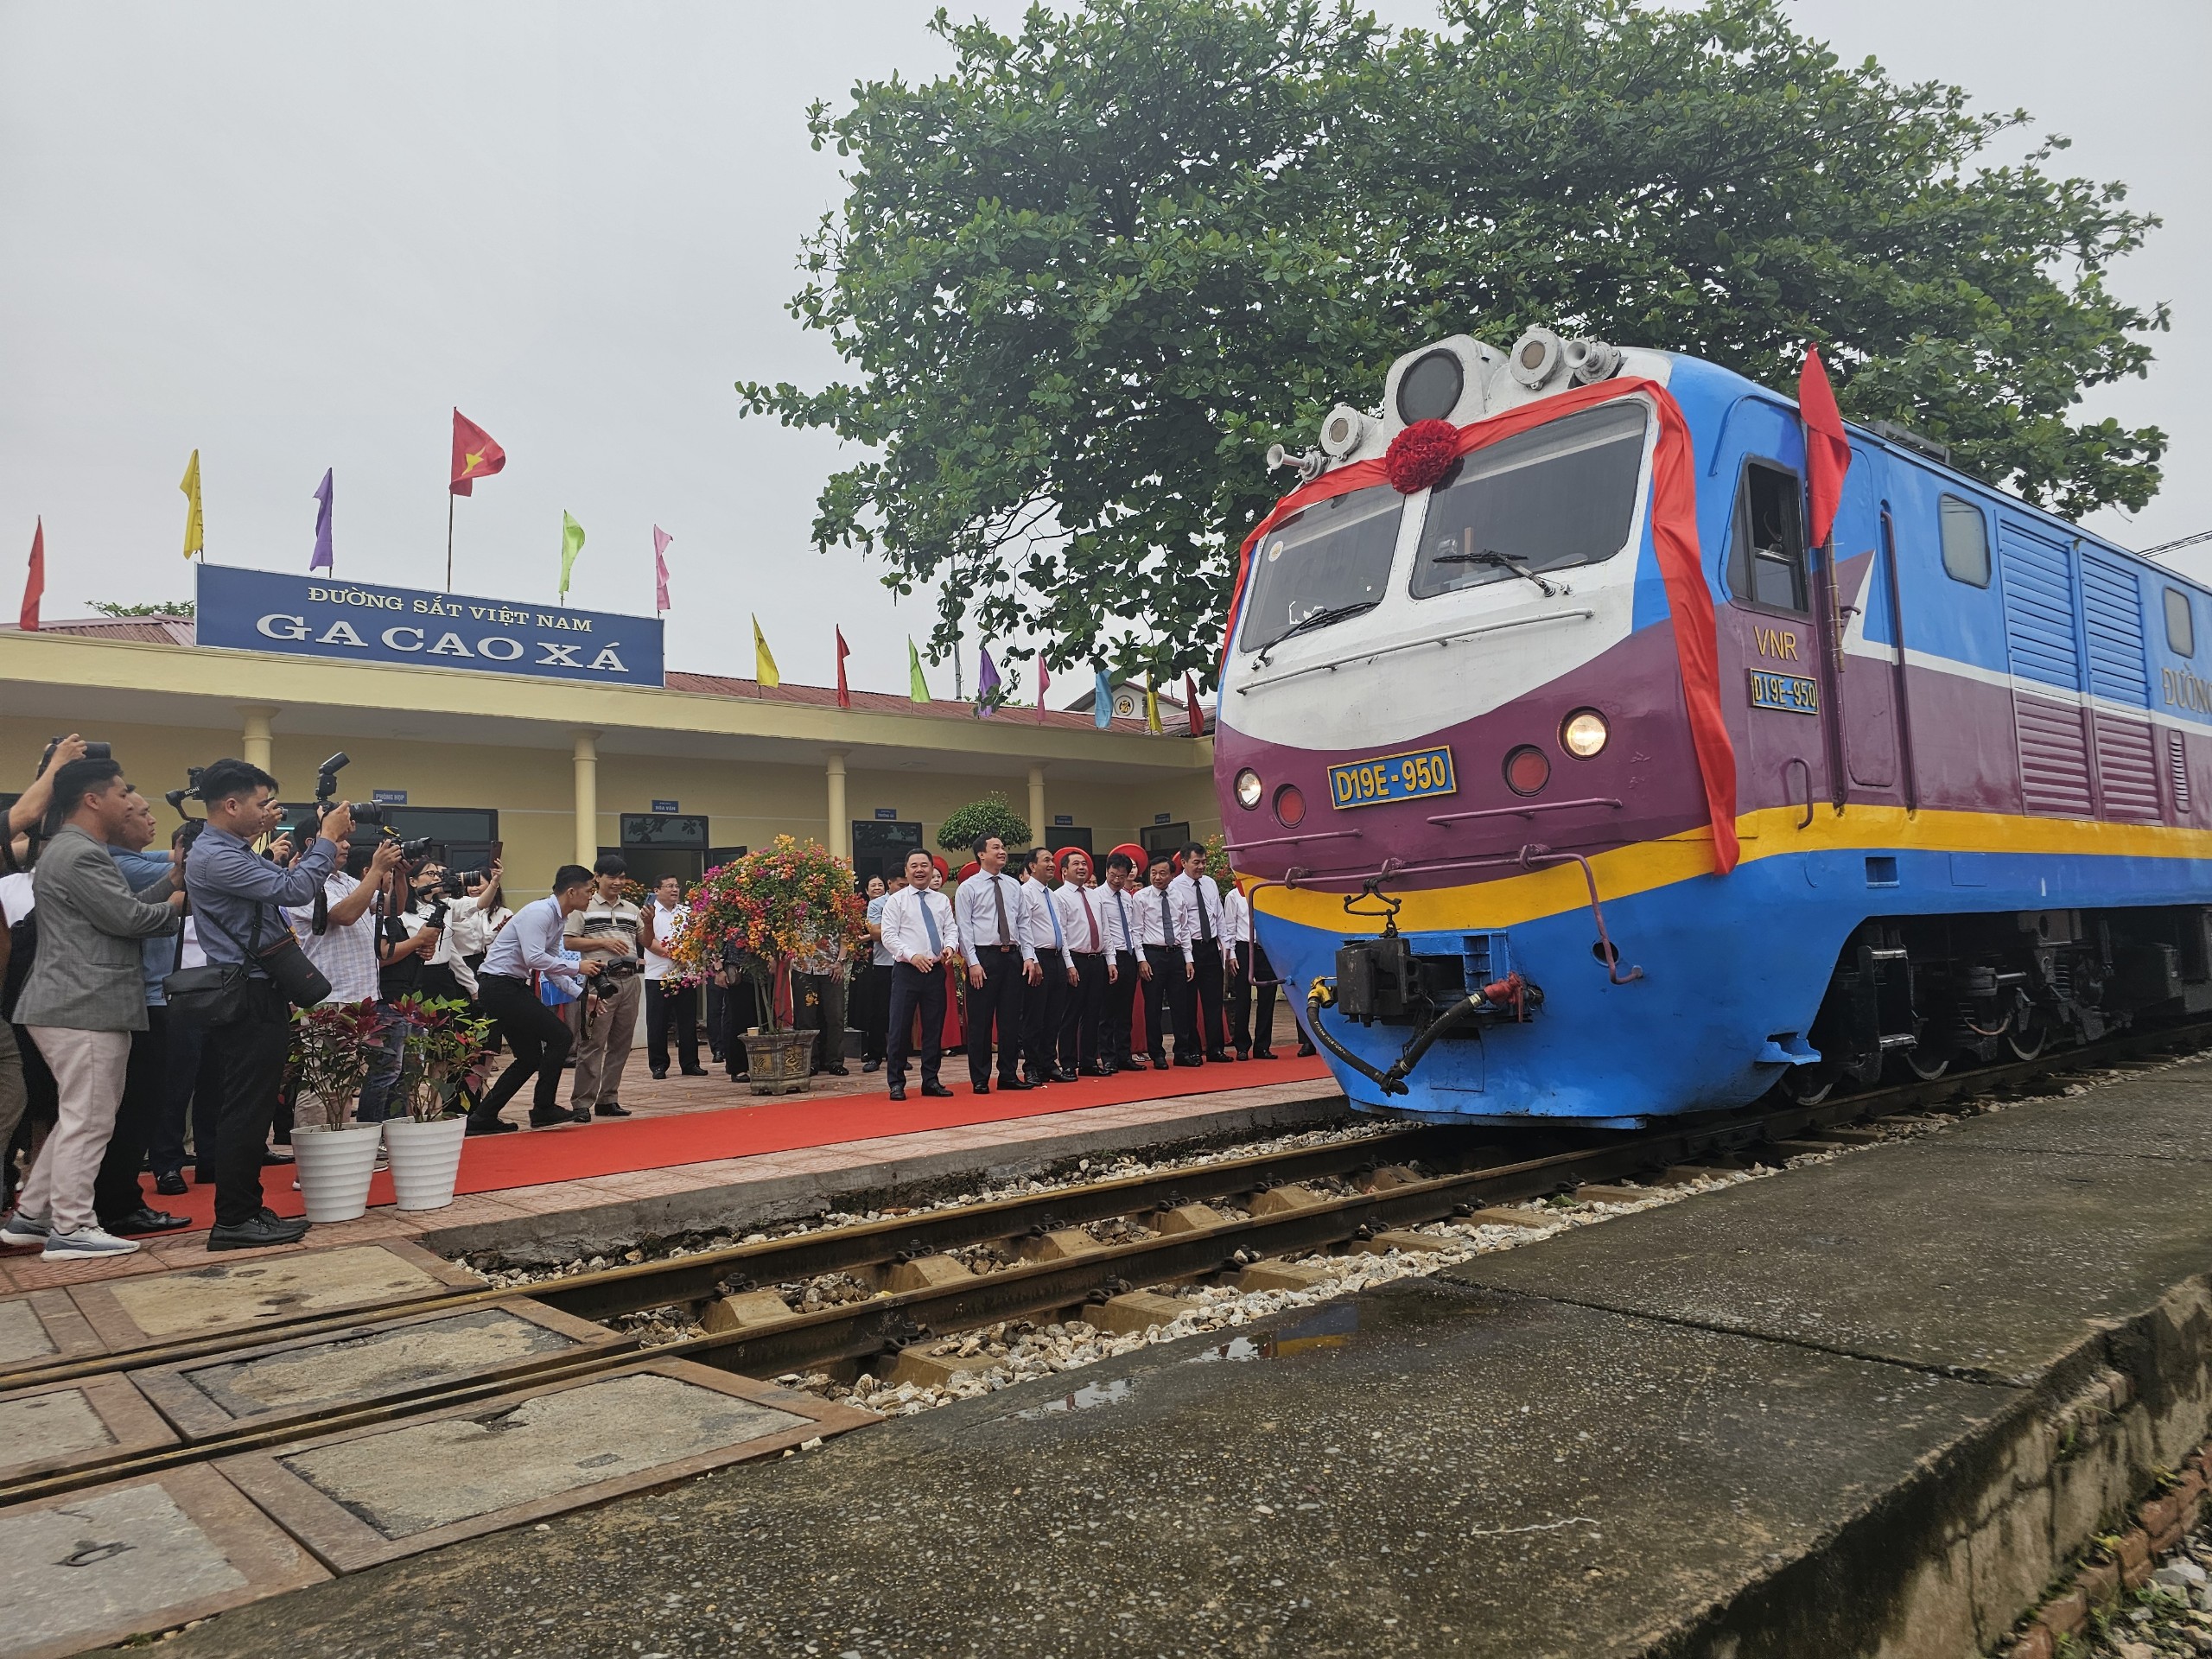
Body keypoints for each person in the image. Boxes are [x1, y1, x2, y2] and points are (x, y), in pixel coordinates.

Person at [0, 756, 182, 1260]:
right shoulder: (79, 853)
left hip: (75, 1001)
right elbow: (128, 918)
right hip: (82, 1004)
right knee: (92, 1118)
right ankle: (73, 1226)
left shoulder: (76, 850)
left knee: (77, 1116)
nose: (129, 802)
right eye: (122, 793)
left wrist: (170, 885)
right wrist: (176, 903)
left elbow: (116, 912)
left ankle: (33, 1217)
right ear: (93, 799)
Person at [185, 758, 346, 1249]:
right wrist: (325, 838)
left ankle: (247, 1209)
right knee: (246, 1107)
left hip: (260, 988)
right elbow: (294, 888)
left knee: (252, 1105)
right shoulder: (216, 856)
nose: (266, 813)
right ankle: (235, 1218)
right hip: (248, 991)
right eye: (259, 805)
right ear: (230, 805)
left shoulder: (229, 848)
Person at [89, 787, 189, 1236]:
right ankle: (118, 1203)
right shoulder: (113, 862)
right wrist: (182, 872)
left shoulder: (133, 859)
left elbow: (167, 865)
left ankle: (120, 1199)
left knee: (145, 1104)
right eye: (141, 813)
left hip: (155, 995)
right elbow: (169, 873)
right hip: (142, 999)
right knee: (137, 1107)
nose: (151, 821)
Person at [474, 864, 601, 1132]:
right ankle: (543, 1108)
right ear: (571, 891)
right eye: (590, 891)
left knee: (530, 1057)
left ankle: (482, 1117)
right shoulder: (540, 913)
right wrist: (577, 968)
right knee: (561, 1036)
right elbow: (535, 958)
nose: (592, 896)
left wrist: (581, 995)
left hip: (509, 986)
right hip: (500, 987)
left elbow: (549, 965)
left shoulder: (558, 917)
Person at [952, 834, 1034, 1095]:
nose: (1002, 851)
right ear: (981, 855)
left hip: (1012, 957)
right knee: (980, 1021)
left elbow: (1023, 923)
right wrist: (973, 963)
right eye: (995, 847)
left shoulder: (1013, 886)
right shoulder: (969, 887)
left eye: (1003, 847)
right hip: (984, 958)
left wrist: (1029, 956)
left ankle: (1008, 1074)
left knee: (1011, 1020)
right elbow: (964, 928)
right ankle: (980, 1077)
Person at [564, 855, 642, 1120]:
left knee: (621, 1043)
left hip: (630, 980)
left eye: (622, 877)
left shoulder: (632, 909)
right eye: (612, 877)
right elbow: (570, 942)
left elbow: (645, 939)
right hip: (599, 980)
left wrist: (651, 921)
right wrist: (605, 945)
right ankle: (582, 1103)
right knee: (593, 1042)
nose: (618, 882)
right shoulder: (582, 907)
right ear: (597, 877)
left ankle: (608, 1098)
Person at [879, 849, 958, 1103]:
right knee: (900, 1028)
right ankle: (896, 1082)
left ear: (932, 869)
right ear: (906, 871)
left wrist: (949, 947)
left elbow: (951, 929)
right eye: (914, 866)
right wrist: (912, 956)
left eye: (924, 865)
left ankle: (931, 1080)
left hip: (935, 971)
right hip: (907, 971)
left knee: (933, 1028)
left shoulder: (941, 900)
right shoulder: (897, 901)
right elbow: (888, 936)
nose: (920, 870)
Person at [1168, 842, 1233, 1065]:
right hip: (1189, 948)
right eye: (1196, 862)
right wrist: (1187, 956)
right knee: (1187, 1003)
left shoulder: (1210, 884)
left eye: (1204, 862)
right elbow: (1179, 923)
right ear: (1184, 862)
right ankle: (1192, 1049)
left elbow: (1219, 917)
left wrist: (1227, 948)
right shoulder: (1174, 887)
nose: (1201, 866)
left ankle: (1216, 1049)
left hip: (1210, 948)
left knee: (1213, 1001)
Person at [1018, 847, 1077, 1085]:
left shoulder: (1052, 895)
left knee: (1054, 1016)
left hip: (1057, 958)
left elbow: (1061, 930)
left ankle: (1048, 1063)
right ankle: (1031, 1066)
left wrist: (1069, 963)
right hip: (1038, 959)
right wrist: (1032, 959)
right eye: (1046, 860)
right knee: (1035, 1017)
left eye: (1053, 860)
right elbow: (1023, 930)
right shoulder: (1024, 893)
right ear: (1032, 866)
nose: (1052, 864)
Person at [1053, 850, 1110, 1077]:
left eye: (1084, 864)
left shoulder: (1095, 895)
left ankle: (1089, 1061)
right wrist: (1068, 965)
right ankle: (1068, 1062)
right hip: (1075, 960)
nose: (1082, 867)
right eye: (1076, 864)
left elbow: (1105, 930)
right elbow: (1062, 934)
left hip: (1097, 960)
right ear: (1064, 871)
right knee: (1071, 1014)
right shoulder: (1060, 896)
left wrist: (1111, 960)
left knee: (1093, 1013)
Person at [643, 874, 703, 1079]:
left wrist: (689, 954)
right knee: (658, 1023)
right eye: (669, 886)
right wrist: (676, 954)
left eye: (677, 886)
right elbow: (648, 942)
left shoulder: (687, 912)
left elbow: (697, 938)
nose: (674, 889)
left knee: (687, 1022)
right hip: (658, 975)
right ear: (656, 890)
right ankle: (658, 1065)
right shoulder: (649, 913)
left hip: (685, 973)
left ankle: (690, 1063)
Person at [1097, 852, 1142, 1072]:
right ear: (1107, 872)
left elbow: (1133, 929)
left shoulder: (1127, 897)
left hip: (1129, 956)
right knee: (1107, 1011)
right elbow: (1103, 931)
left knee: (1125, 1011)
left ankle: (1124, 1055)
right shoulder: (1097, 896)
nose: (1116, 880)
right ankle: (1107, 1056)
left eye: (1121, 876)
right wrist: (1110, 960)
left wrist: (1139, 958)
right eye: (1113, 875)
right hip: (1110, 957)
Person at [1132, 852, 1178, 1067]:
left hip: (1176, 954)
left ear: (1171, 875)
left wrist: (1188, 959)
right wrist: (1141, 960)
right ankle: (1156, 1053)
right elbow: (1136, 931)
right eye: (1153, 873)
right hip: (1153, 955)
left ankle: (1183, 1051)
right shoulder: (1141, 898)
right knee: (1153, 1007)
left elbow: (1183, 929)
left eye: (1162, 873)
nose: (1157, 877)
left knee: (1181, 1005)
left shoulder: (1178, 896)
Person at [1224, 877, 1277, 1060]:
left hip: (1267, 949)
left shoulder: (1268, 892)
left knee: (1267, 999)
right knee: (1243, 999)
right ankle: (1242, 1046)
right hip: (1244, 948)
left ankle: (1263, 1046)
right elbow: (1229, 926)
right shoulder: (1234, 895)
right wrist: (1231, 955)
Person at [793, 922, 850, 1077]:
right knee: (805, 1018)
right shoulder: (795, 903)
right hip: (803, 966)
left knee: (835, 1016)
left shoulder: (837, 901)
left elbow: (846, 934)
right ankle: (809, 1062)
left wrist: (841, 962)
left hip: (831, 966)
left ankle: (834, 1061)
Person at [856, 874, 893, 1073]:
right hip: (877, 962)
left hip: (905, 961)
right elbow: (876, 934)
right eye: (874, 885)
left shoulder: (909, 901)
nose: (877, 888)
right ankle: (875, 1055)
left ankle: (897, 1054)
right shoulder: (875, 905)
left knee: (900, 1012)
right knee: (878, 1011)